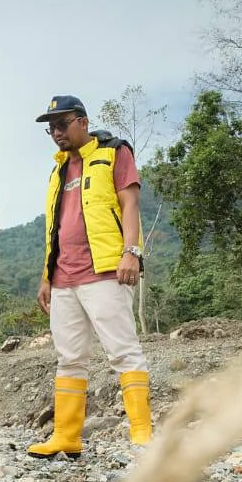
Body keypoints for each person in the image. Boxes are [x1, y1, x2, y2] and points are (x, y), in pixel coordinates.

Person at [28, 95, 153, 458]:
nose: (55, 133)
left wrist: (132, 252)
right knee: (69, 357)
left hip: (104, 271)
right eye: (50, 128)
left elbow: (129, 204)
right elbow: (55, 228)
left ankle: (142, 431)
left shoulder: (114, 152)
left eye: (61, 124)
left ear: (82, 122)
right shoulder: (58, 171)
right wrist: (46, 277)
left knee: (123, 351)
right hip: (63, 278)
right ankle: (67, 435)